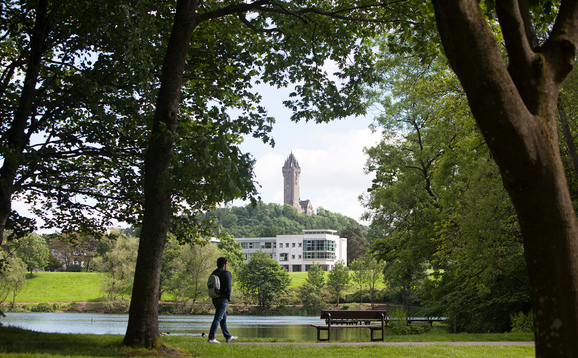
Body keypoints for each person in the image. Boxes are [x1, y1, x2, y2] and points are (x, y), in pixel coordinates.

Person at [208, 257, 237, 344]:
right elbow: (228, 287)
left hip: (215, 298)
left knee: (223, 318)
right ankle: (211, 338)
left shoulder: (214, 273)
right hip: (223, 299)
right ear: (225, 264)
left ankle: (228, 336)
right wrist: (228, 297)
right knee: (218, 318)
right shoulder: (226, 273)